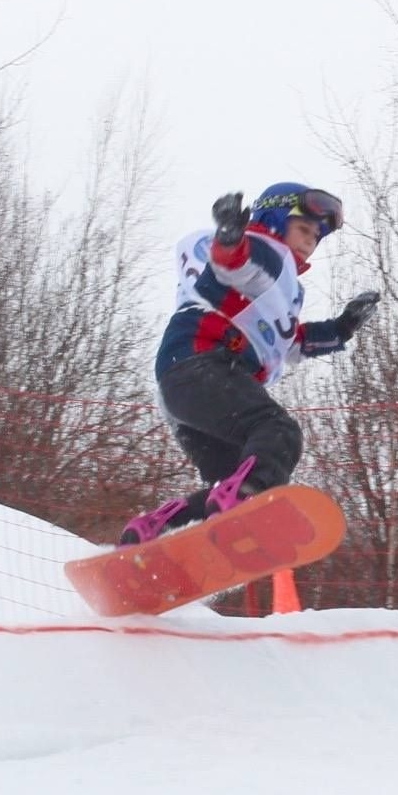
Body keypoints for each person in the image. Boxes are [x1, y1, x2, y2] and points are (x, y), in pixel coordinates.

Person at [119, 182, 380, 545]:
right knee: (280, 432)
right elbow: (233, 262)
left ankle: (157, 529)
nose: (310, 241)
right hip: (201, 365)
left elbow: (291, 343)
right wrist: (229, 235)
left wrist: (341, 328)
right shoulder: (266, 251)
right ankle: (246, 505)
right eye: (304, 229)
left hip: (186, 387)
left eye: (316, 237)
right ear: (275, 219)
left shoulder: (284, 288)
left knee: (229, 479)